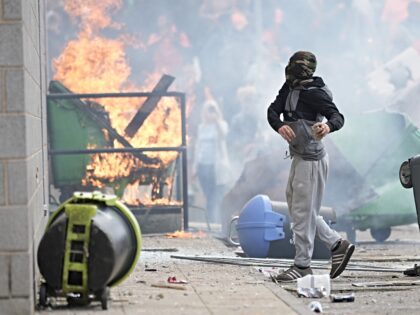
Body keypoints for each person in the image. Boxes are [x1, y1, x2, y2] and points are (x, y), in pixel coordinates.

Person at [267, 51, 354, 281]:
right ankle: (336, 244)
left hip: (312, 161)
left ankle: (302, 265)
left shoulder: (314, 94)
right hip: (298, 157)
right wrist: (279, 125)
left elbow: (337, 116)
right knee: (299, 209)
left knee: (303, 213)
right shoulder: (289, 88)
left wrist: (327, 127)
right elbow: (272, 110)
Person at [193, 100, 231, 224]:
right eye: (208, 110)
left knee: (215, 196)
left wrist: (216, 120)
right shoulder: (201, 127)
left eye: (212, 109)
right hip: (203, 165)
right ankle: (211, 220)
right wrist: (194, 168)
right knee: (208, 194)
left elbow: (224, 135)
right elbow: (197, 148)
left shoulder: (222, 125)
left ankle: (216, 221)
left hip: (216, 166)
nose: (210, 112)